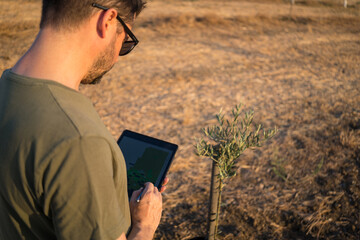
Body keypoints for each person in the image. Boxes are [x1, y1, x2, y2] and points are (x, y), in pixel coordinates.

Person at [0, 0, 167, 239]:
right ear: (107, 21)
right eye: (125, 42)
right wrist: (144, 226)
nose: (119, 58)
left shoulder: (7, 86)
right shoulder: (80, 141)